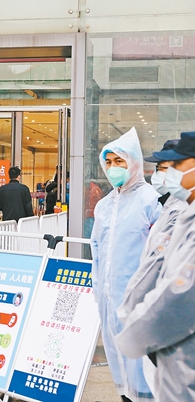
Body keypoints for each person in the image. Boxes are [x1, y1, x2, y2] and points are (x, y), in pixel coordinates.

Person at [115, 131, 195, 401]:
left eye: (176, 165)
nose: (169, 173)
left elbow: (178, 289)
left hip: (178, 342)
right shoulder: (181, 208)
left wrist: (135, 330)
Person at [90, 127, 161, 402]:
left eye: (119, 161)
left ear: (133, 162)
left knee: (143, 368)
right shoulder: (104, 205)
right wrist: (98, 291)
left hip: (139, 302)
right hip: (109, 300)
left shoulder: (151, 201)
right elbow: (97, 250)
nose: (113, 168)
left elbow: (159, 255)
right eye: (108, 162)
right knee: (118, 364)